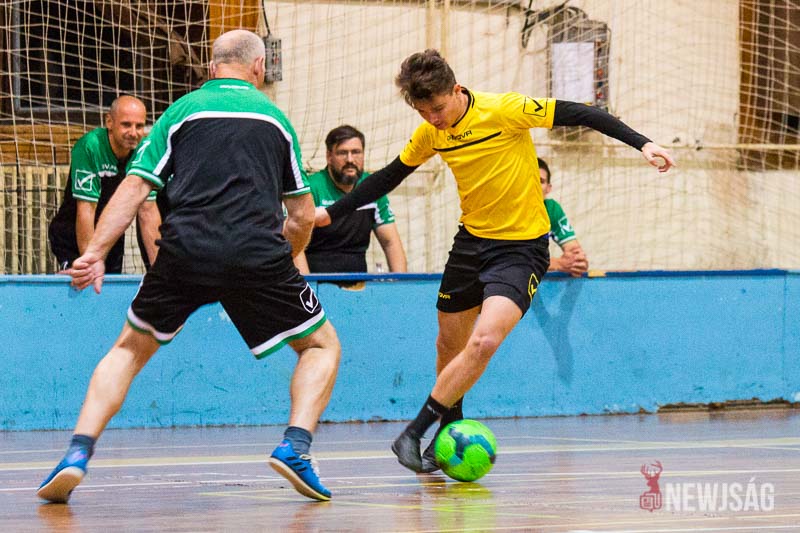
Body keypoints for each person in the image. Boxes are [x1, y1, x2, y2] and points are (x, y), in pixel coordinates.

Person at [315, 49, 674, 473]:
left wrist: (643, 143)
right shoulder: (431, 132)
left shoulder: (504, 110)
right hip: (471, 244)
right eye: (423, 112)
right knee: (448, 344)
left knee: (483, 341)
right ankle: (449, 430)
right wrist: (330, 214)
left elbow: (583, 113)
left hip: (521, 249)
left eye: (437, 108)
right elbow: (388, 176)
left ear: (456, 90)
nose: (433, 119)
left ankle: (414, 432)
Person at [37, 30, 341, 504]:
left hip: (184, 252)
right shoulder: (276, 120)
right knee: (321, 346)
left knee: (128, 350)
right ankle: (295, 447)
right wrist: (283, 258)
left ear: (212, 68)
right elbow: (301, 215)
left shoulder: (180, 112)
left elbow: (136, 187)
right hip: (257, 255)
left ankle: (77, 453)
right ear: (259, 67)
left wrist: (94, 252)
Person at [48, 95, 161, 273]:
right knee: (86, 281)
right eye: (126, 125)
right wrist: (88, 265)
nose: (133, 133)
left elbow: (148, 212)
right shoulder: (90, 146)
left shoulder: (144, 151)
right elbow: (86, 210)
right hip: (72, 236)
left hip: (111, 236)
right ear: (109, 122)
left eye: (139, 126)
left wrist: (161, 271)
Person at [294, 125, 407, 275]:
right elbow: (295, 246)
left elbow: (390, 242)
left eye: (356, 152)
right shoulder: (311, 189)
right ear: (329, 157)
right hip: (317, 281)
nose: (350, 159)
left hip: (359, 284)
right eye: (342, 153)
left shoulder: (373, 188)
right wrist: (307, 285)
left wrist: (400, 284)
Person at [538, 157, 589, 277]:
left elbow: (574, 250)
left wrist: (577, 261)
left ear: (548, 188)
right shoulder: (507, 210)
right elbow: (509, 259)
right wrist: (557, 264)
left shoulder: (551, 209)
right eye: (530, 180)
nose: (535, 186)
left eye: (540, 181)